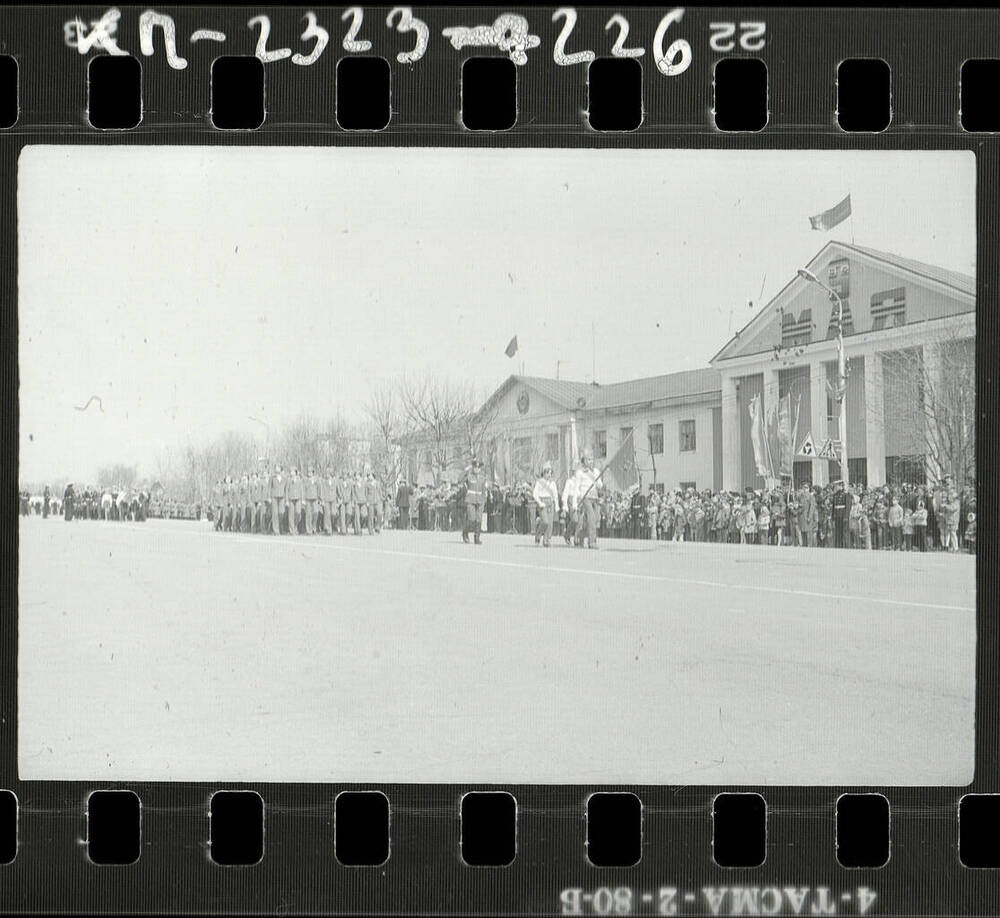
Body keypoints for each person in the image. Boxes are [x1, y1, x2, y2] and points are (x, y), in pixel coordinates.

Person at [571, 448, 603, 549]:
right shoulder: (580, 472)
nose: (591, 461)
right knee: (591, 518)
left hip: (595, 498)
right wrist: (575, 503)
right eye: (588, 459)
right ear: (584, 460)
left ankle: (578, 536)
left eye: (592, 459)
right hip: (585, 497)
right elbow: (576, 488)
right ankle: (592, 541)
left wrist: (595, 477)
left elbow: (600, 486)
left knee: (595, 519)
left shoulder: (596, 471)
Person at [461, 457, 488, 544]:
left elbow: (484, 490)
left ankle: (477, 538)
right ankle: (465, 533)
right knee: (471, 519)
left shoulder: (482, 478)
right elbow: (459, 479)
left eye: (478, 467)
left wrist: (484, 500)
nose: (477, 469)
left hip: (480, 500)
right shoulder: (469, 476)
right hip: (470, 500)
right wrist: (466, 469)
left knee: (479, 519)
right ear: (472, 467)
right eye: (475, 467)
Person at [532, 462, 559, 547]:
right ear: (543, 473)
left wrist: (557, 505)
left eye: (550, 473)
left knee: (550, 523)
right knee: (545, 522)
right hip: (542, 502)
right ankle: (538, 536)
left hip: (550, 503)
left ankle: (547, 540)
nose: (549, 475)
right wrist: (540, 502)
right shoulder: (539, 482)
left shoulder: (553, 483)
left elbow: (555, 495)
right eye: (547, 472)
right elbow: (535, 494)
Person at [831, 480, 851, 548]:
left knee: (845, 532)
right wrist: (833, 516)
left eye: (837, 486)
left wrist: (846, 516)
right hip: (837, 515)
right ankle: (838, 546)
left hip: (843, 515)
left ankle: (846, 546)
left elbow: (848, 507)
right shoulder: (835, 495)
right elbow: (834, 507)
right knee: (838, 531)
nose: (836, 487)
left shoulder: (846, 495)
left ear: (841, 486)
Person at [561, 469, 578, 545]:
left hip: (579, 499)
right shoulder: (569, 481)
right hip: (571, 500)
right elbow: (565, 493)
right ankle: (567, 534)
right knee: (574, 520)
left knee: (580, 521)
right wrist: (564, 507)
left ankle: (577, 539)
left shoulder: (580, 482)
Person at [303, 466, 319, 535]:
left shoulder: (316, 480)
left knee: (315, 512)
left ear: (313, 473)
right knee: (308, 514)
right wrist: (303, 499)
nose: (309, 473)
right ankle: (308, 530)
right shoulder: (305, 480)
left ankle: (314, 528)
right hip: (307, 499)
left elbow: (319, 489)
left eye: (310, 472)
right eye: (308, 472)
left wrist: (319, 498)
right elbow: (303, 490)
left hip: (315, 498)